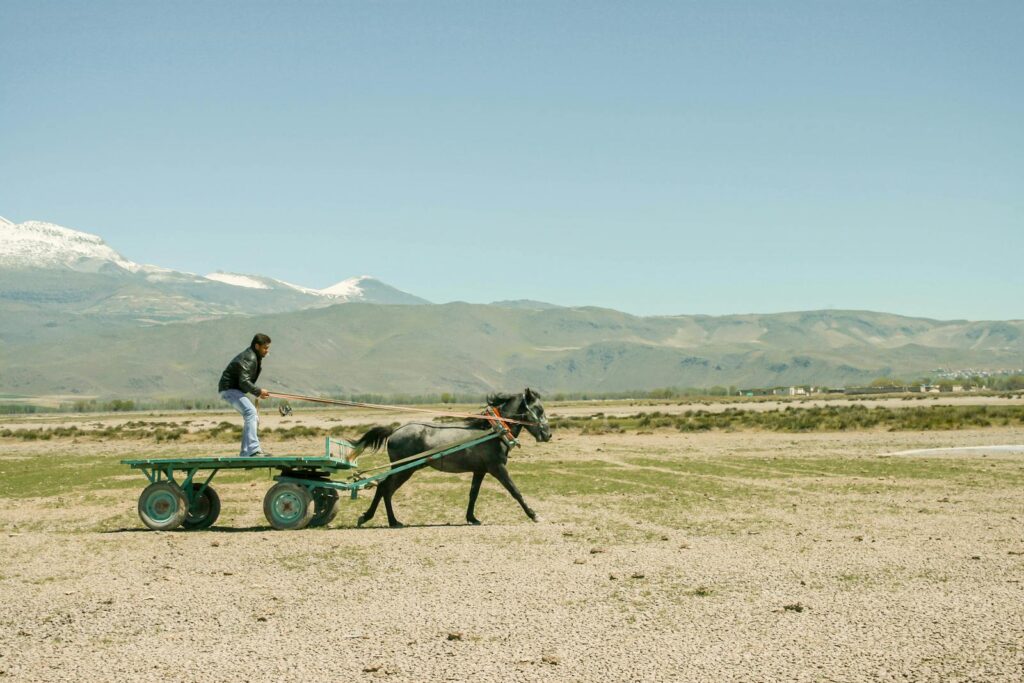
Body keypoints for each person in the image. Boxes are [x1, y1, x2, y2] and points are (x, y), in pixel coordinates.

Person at [219, 333, 272, 457]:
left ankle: (245, 453)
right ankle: (253, 450)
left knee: (253, 416)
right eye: (265, 348)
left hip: (233, 390)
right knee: (250, 412)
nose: (267, 351)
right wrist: (258, 391)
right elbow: (244, 382)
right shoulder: (250, 358)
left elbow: (244, 383)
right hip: (229, 390)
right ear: (257, 346)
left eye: (268, 348)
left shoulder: (255, 357)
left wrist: (257, 393)